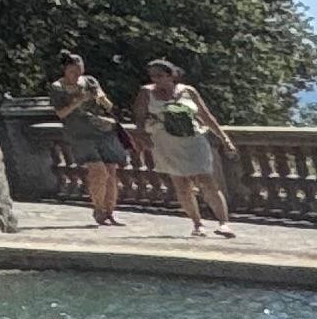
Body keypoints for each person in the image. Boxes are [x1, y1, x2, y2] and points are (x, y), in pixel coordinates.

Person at [126, 59, 240, 236]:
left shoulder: (188, 91)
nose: (156, 79)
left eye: (160, 75)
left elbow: (206, 116)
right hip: (166, 141)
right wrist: (142, 140)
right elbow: (139, 121)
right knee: (181, 183)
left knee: (207, 180)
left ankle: (223, 223)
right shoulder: (146, 93)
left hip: (194, 139)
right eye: (153, 76)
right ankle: (197, 223)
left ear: (171, 75)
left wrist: (225, 139)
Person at [46, 52, 127, 226]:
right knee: (98, 171)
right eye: (73, 71)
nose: (77, 75)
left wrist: (102, 99)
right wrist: (78, 101)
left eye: (80, 71)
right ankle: (98, 210)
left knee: (111, 171)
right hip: (80, 133)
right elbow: (61, 113)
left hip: (103, 129)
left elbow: (109, 105)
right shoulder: (57, 87)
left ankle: (110, 212)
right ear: (65, 70)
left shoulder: (90, 81)